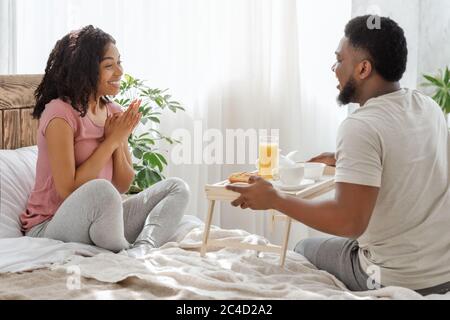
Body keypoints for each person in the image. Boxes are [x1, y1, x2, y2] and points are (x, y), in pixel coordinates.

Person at [226, 15, 450, 295]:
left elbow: (348, 222)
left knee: (303, 247)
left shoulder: (360, 126)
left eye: (339, 60)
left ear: (363, 68)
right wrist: (351, 159)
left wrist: (275, 199)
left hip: (393, 276)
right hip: (444, 270)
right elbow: (412, 158)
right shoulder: (427, 106)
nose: (334, 69)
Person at [20, 25, 189, 259]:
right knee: (102, 190)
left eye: (120, 62)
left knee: (177, 187)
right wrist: (110, 142)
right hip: (51, 226)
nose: (119, 72)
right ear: (84, 71)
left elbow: (122, 185)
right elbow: (68, 189)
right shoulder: (60, 113)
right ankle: (122, 250)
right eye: (109, 66)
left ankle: (143, 249)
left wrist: (119, 141)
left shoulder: (113, 111)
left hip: (99, 220)